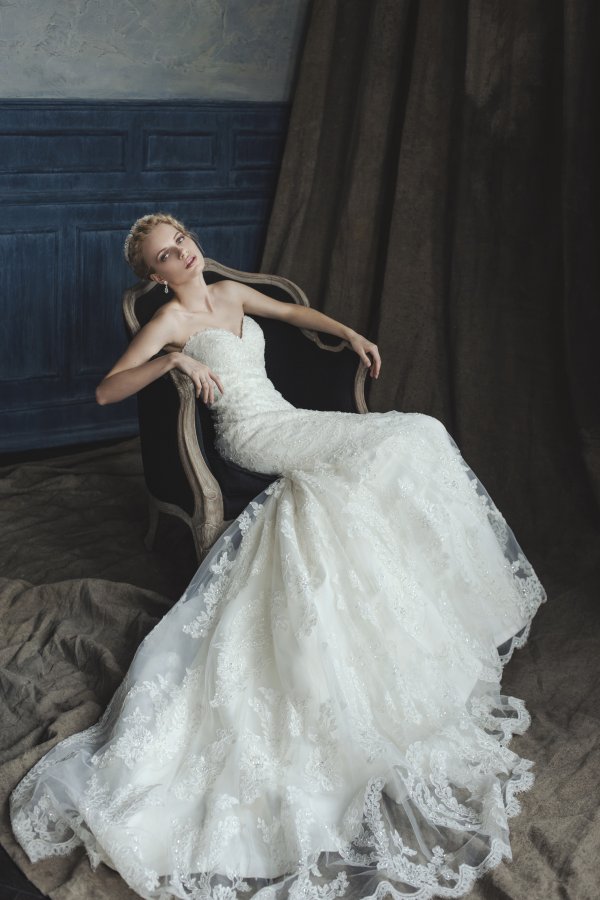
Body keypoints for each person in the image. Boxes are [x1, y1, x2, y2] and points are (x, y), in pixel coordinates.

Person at [10, 213, 546, 900]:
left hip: (290, 416)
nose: (183, 254)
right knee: (407, 439)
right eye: (166, 255)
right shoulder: (169, 320)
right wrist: (174, 360)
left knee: (416, 436)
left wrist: (350, 334)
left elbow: (292, 312)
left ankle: (425, 596)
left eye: (182, 240)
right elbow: (107, 388)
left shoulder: (230, 292)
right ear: (155, 275)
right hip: (252, 435)